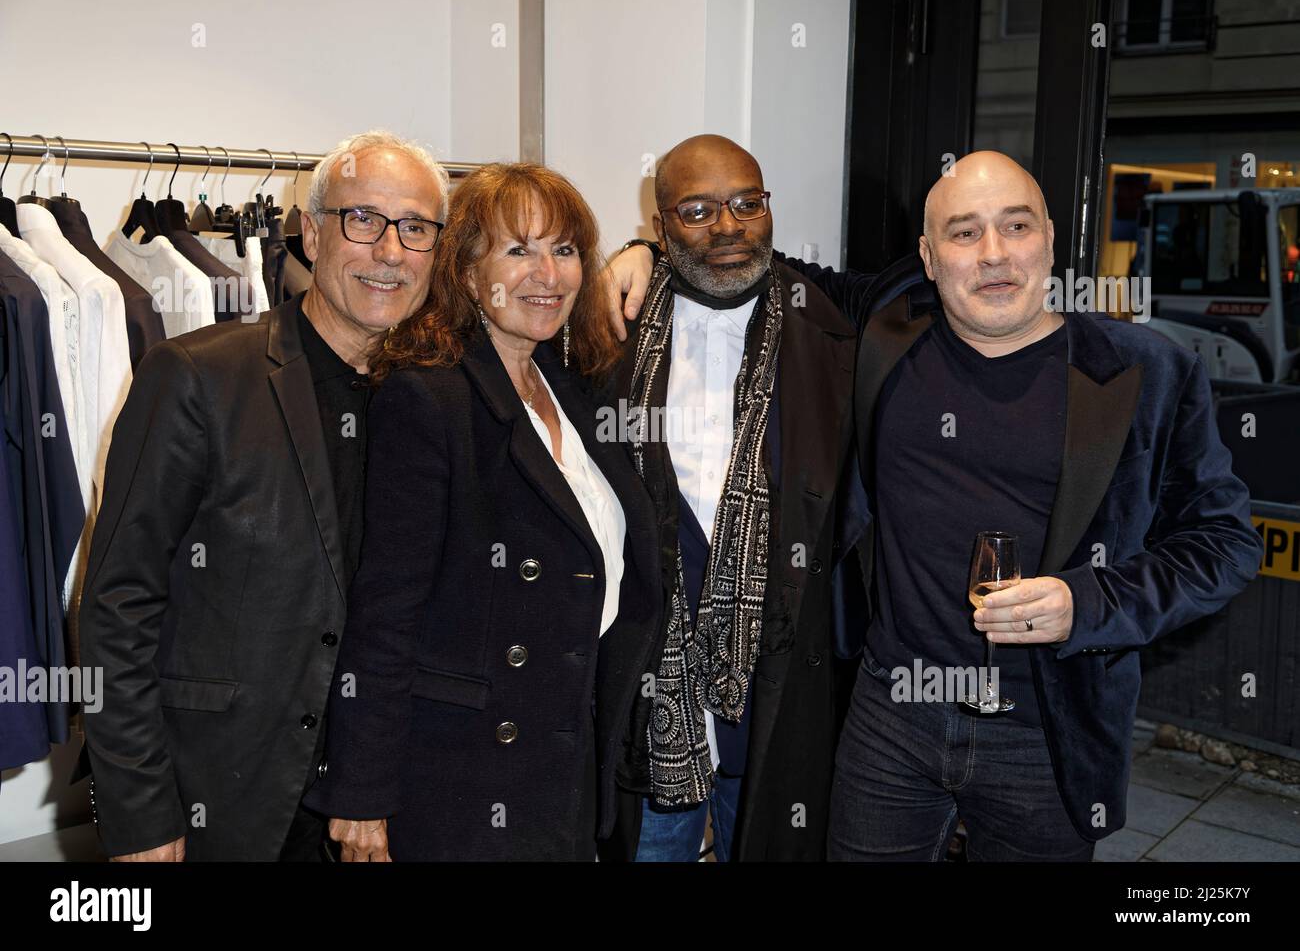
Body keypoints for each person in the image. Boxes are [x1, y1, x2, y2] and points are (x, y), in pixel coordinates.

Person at [610, 150, 1261, 860]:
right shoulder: (886, 337)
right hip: (891, 717)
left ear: (1050, 236)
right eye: (963, 233)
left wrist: (1090, 602)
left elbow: (1224, 544)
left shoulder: (1145, 372)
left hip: (1047, 726)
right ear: (927, 255)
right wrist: (645, 251)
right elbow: (741, 253)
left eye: (1016, 226)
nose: (993, 254)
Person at [77, 129, 448, 861]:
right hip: (221, 798)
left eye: (416, 228)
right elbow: (117, 604)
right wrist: (141, 812)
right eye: (363, 220)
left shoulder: (438, 399)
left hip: (378, 805)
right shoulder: (197, 377)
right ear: (311, 232)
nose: (391, 251)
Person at [302, 163, 662, 861]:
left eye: (563, 250)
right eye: (518, 250)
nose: (547, 274)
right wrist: (361, 797)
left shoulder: (573, 389)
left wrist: (648, 249)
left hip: (566, 760)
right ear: (467, 273)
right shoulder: (428, 399)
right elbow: (385, 613)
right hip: (461, 777)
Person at [596, 135, 865, 862]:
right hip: (653, 706)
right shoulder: (603, 334)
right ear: (659, 228)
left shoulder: (828, 324)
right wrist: (628, 255)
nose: (728, 226)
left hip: (779, 697)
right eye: (697, 209)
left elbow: (927, 283)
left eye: (748, 202)